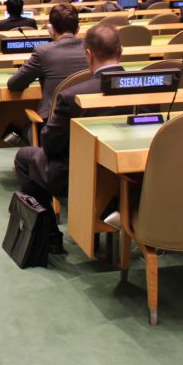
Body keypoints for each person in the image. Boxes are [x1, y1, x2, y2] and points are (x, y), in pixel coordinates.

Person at [12, 24, 133, 253]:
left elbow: (50, 145)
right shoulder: (146, 87)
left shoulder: (71, 95)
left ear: (89, 54)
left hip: (76, 174)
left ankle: (50, 237)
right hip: (129, 174)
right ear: (121, 51)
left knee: (25, 158)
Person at [6, 3, 89, 119]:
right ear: (78, 29)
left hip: (53, 124)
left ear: (50, 29)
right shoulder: (92, 49)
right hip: (85, 120)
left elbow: (14, 85)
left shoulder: (43, 51)